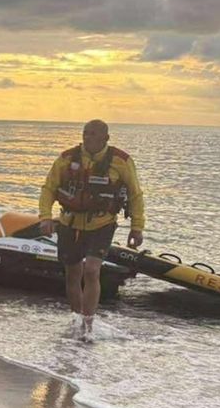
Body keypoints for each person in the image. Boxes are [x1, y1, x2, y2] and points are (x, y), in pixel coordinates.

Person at [38, 119, 145, 341]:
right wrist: (45, 218)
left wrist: (137, 227)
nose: (88, 138)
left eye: (94, 134)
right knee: (72, 274)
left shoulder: (121, 161)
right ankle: (76, 318)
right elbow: (48, 189)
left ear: (106, 138)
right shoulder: (66, 158)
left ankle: (88, 325)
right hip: (69, 223)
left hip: (101, 223)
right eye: (86, 133)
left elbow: (135, 194)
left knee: (92, 270)